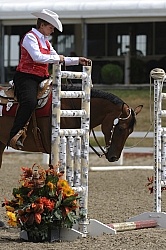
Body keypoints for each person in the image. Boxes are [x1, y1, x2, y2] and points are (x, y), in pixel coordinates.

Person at [8, 9, 91, 150]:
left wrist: (78, 60)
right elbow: (38, 57)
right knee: (30, 101)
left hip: (41, 77)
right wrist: (59, 58)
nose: (52, 30)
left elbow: (57, 57)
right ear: (42, 25)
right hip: (26, 77)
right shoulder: (30, 37)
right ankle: (15, 133)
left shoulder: (45, 41)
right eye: (50, 27)